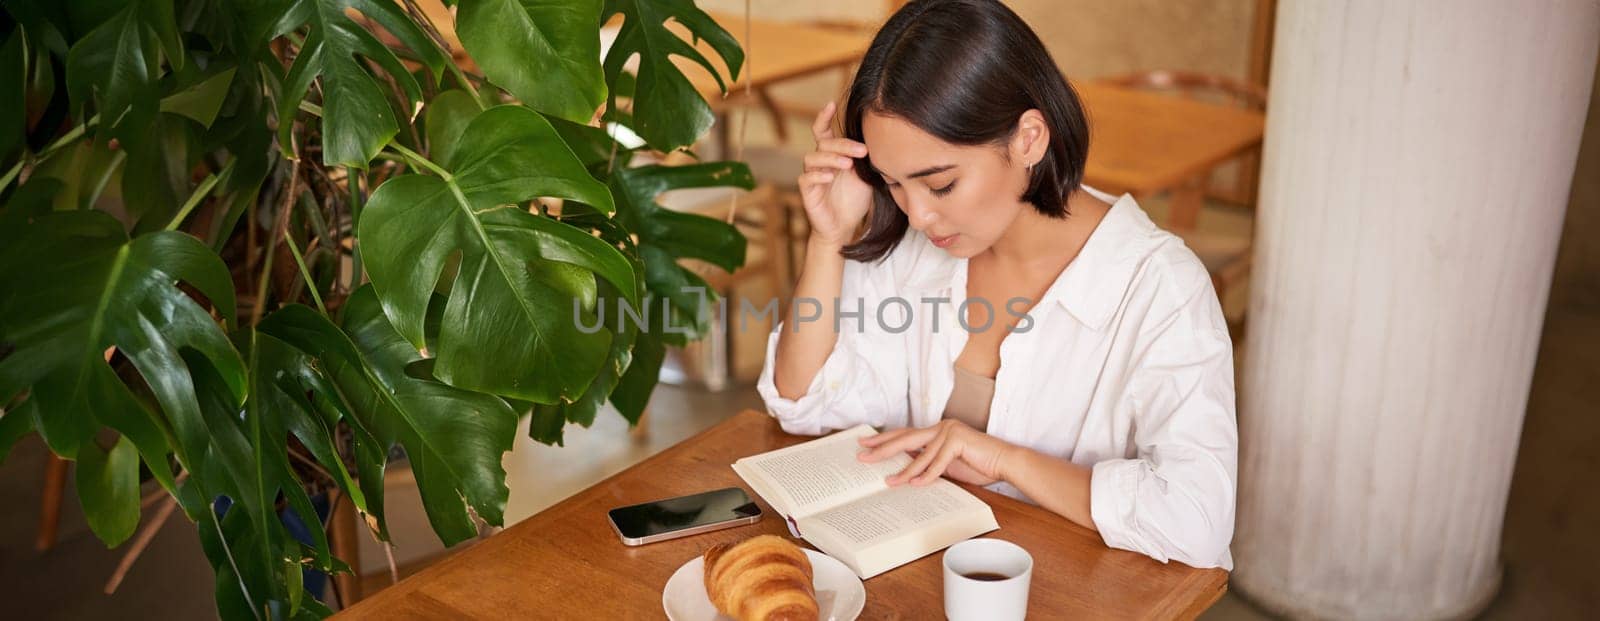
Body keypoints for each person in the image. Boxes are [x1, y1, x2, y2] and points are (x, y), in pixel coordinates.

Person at [755, 0, 1238, 569]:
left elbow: (1196, 521)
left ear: (1028, 138)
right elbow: (802, 401)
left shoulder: (1159, 287)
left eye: (940, 184)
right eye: (892, 184)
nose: (916, 215)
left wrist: (1002, 460)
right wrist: (826, 241)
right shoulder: (920, 249)